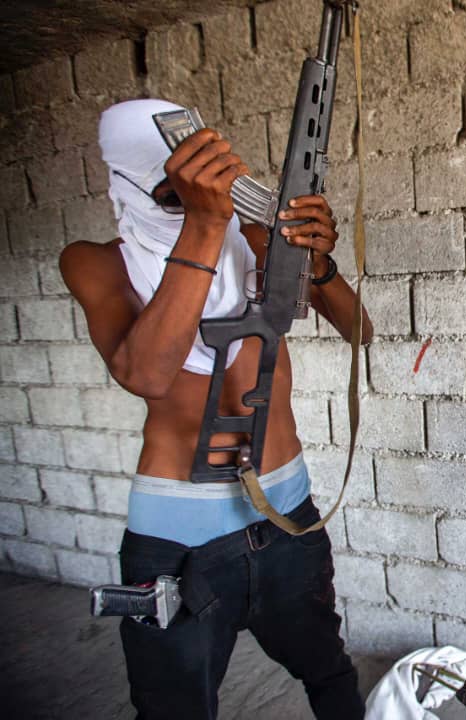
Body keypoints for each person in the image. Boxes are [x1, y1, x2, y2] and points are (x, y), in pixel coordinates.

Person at [60, 98, 372, 719]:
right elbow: (148, 374)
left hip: (287, 513)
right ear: (125, 183)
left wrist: (318, 264)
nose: (193, 201)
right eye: (171, 193)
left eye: (201, 189)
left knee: (331, 675)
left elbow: (358, 329)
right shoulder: (96, 263)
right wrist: (203, 224)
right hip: (181, 540)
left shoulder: (253, 239)